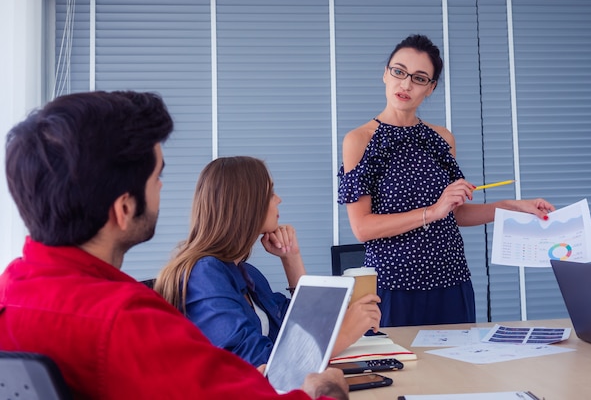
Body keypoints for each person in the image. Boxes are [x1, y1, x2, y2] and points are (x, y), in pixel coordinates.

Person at [0, 91, 348, 400]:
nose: (162, 189)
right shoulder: (126, 323)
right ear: (124, 209)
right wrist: (323, 391)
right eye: (157, 177)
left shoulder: (10, 290)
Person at [338, 34, 555, 327]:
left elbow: (456, 213)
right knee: (402, 373)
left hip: (451, 280)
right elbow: (362, 228)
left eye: (419, 78)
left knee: (456, 370)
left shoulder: (441, 138)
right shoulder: (360, 140)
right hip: (392, 285)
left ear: (431, 88)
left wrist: (515, 207)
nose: (406, 84)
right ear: (385, 74)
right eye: (399, 72)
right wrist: (432, 212)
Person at [154, 156, 381, 368]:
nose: (279, 199)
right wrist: (343, 335)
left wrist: (292, 257)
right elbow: (256, 363)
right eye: (271, 192)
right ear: (246, 204)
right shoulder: (203, 274)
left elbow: (304, 331)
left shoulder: (248, 274)